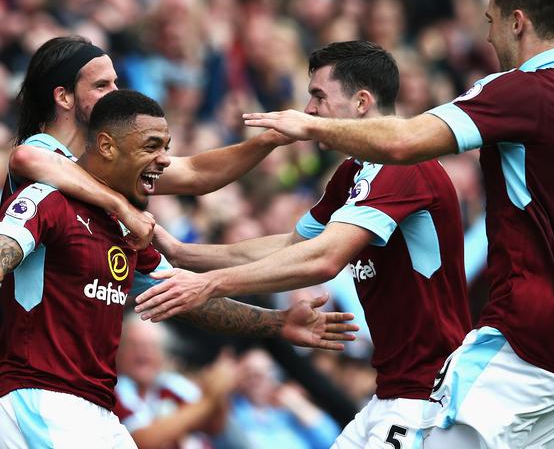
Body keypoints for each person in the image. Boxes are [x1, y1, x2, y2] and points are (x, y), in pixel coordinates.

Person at [242, 0, 554, 447]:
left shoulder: (524, 90)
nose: (487, 39)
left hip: (530, 338)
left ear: (517, 22)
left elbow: (405, 139)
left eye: (489, 22)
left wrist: (311, 126)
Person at [135, 40, 472, 447]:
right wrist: (185, 254)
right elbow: (294, 244)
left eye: (318, 96)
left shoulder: (402, 168)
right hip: (392, 393)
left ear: (362, 102)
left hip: (427, 397)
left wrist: (211, 283)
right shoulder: (352, 171)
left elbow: (324, 258)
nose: (309, 110)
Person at [0, 89, 357, 448]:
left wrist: (277, 322)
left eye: (167, 146)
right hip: (39, 397)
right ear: (107, 146)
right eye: (152, 146)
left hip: (96, 409)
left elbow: (186, 297)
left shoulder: (126, 229)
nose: (165, 159)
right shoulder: (47, 201)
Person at [6, 35, 291, 248]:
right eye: (102, 85)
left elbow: (196, 173)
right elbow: (26, 158)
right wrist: (124, 208)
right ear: (63, 96)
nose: (116, 94)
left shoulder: (105, 161)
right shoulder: (39, 149)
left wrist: (269, 140)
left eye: (115, 83)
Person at [114, 314, 239, 449]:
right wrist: (207, 400)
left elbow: (214, 426)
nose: (143, 353)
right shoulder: (112, 390)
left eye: (151, 347)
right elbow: (141, 441)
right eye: (134, 345)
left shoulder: (172, 384)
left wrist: (219, 388)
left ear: (163, 354)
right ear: (119, 350)